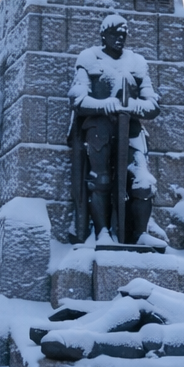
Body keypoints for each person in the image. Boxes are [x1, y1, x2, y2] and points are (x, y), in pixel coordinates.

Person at [68, 14, 162, 247]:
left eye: (123, 35)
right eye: (114, 35)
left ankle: (140, 232)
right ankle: (102, 232)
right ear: (104, 35)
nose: (119, 39)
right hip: (99, 128)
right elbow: (77, 99)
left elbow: (152, 104)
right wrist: (102, 105)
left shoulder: (136, 62)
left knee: (144, 182)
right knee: (100, 180)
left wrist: (132, 106)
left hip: (130, 129)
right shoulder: (89, 57)